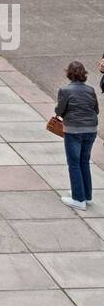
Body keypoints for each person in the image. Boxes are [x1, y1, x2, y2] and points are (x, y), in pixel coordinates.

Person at [55, 61, 100, 210]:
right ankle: (86, 195)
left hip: (74, 130)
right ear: (84, 74)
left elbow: (59, 111)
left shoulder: (65, 90)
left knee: (74, 164)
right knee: (84, 162)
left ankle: (78, 199)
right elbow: (96, 110)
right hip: (91, 129)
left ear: (69, 74)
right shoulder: (91, 90)